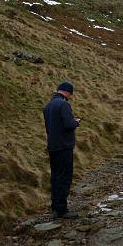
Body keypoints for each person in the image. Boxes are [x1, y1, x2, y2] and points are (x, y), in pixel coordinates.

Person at [43, 81, 81, 219]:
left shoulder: (48, 106)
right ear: (66, 92)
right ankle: (62, 210)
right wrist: (76, 122)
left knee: (55, 177)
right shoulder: (63, 104)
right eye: (70, 93)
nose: (71, 96)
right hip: (64, 146)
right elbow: (68, 124)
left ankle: (55, 206)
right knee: (64, 178)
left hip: (53, 146)